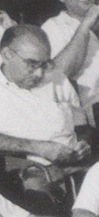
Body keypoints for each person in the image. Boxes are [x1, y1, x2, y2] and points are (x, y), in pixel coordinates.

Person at [0, 26, 89, 178]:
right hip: (22, 170)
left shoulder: (56, 78)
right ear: (7, 54)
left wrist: (84, 144)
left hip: (74, 166)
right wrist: (38, 148)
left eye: (44, 65)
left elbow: (82, 125)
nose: (39, 73)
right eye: (32, 64)